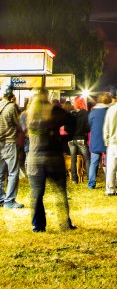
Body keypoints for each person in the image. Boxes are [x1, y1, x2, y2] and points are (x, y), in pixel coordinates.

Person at [26, 89, 76, 231]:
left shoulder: (27, 114)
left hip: (34, 158)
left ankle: (38, 225)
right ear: (47, 96)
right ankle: (65, 224)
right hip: (53, 157)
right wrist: (64, 138)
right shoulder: (55, 112)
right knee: (60, 192)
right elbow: (72, 120)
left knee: (36, 194)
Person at [0, 82, 25, 208]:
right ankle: (9, 201)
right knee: (13, 172)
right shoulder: (11, 107)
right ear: (11, 93)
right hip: (9, 142)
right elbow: (18, 123)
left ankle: (1, 198)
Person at [88, 92, 112, 189]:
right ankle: (108, 183)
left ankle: (91, 183)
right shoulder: (109, 111)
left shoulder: (93, 112)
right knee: (108, 162)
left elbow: (89, 124)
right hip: (107, 139)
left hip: (95, 139)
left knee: (93, 162)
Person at [67, 96, 90, 183]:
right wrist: (84, 131)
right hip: (81, 138)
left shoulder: (70, 113)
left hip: (71, 140)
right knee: (87, 158)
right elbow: (88, 127)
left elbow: (66, 127)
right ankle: (89, 177)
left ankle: (74, 179)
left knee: (73, 159)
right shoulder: (85, 113)